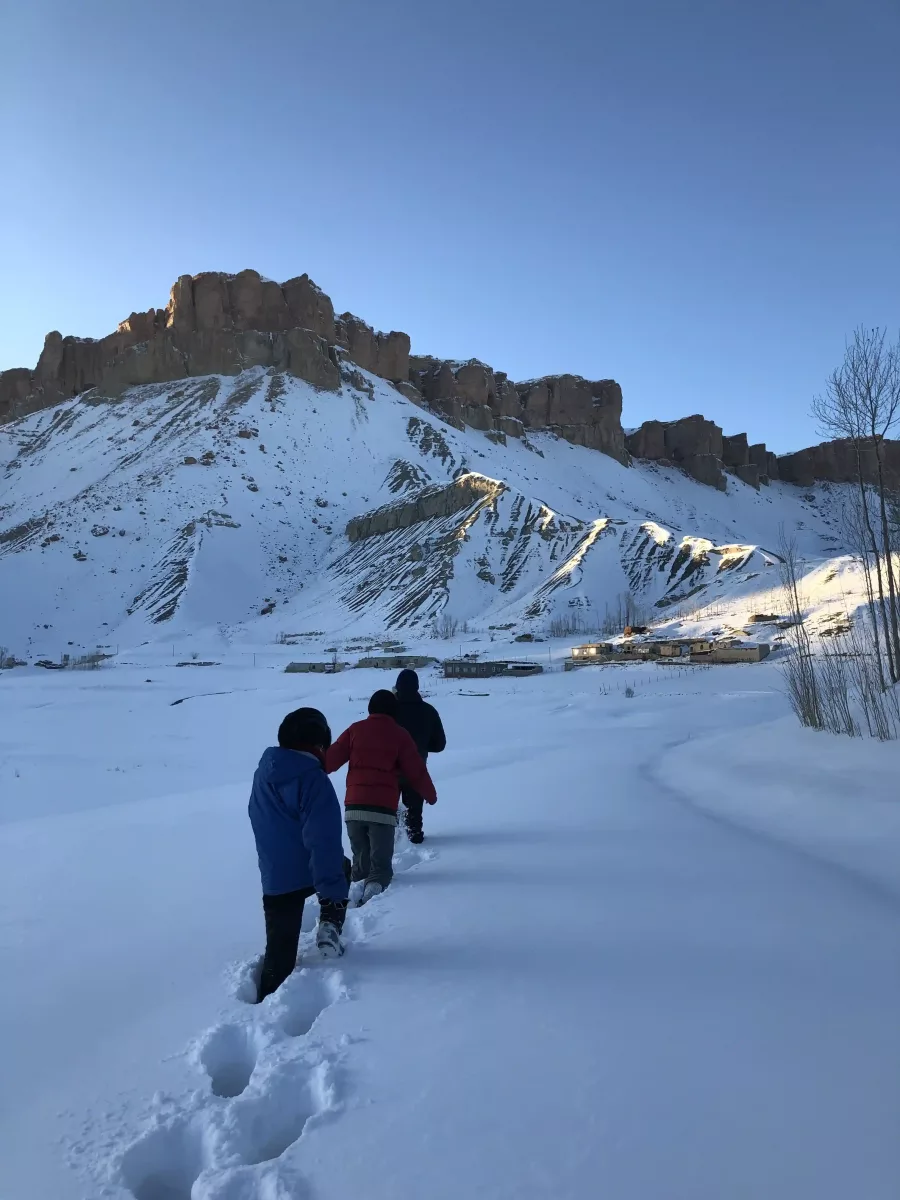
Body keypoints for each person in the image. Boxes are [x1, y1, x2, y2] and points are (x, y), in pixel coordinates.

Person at [248, 707, 349, 1002]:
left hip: (275, 879)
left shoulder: (262, 775)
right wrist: (331, 893)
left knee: (279, 955)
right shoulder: (314, 781)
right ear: (320, 745)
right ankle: (329, 924)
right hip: (309, 870)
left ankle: (264, 1006)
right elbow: (324, 841)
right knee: (342, 869)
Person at [326, 690, 437, 905]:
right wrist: (430, 795)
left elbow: (330, 760)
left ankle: (348, 895)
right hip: (382, 812)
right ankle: (371, 896)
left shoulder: (354, 730)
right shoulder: (400, 735)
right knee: (381, 867)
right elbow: (416, 771)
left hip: (354, 809)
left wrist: (310, 768)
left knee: (361, 862)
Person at [393, 668, 446, 844]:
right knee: (414, 811)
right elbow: (439, 745)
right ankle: (414, 836)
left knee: (387, 808)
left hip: (388, 769)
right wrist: (421, 746)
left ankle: (389, 837)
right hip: (415, 769)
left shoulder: (388, 711)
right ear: (417, 687)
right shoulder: (429, 711)